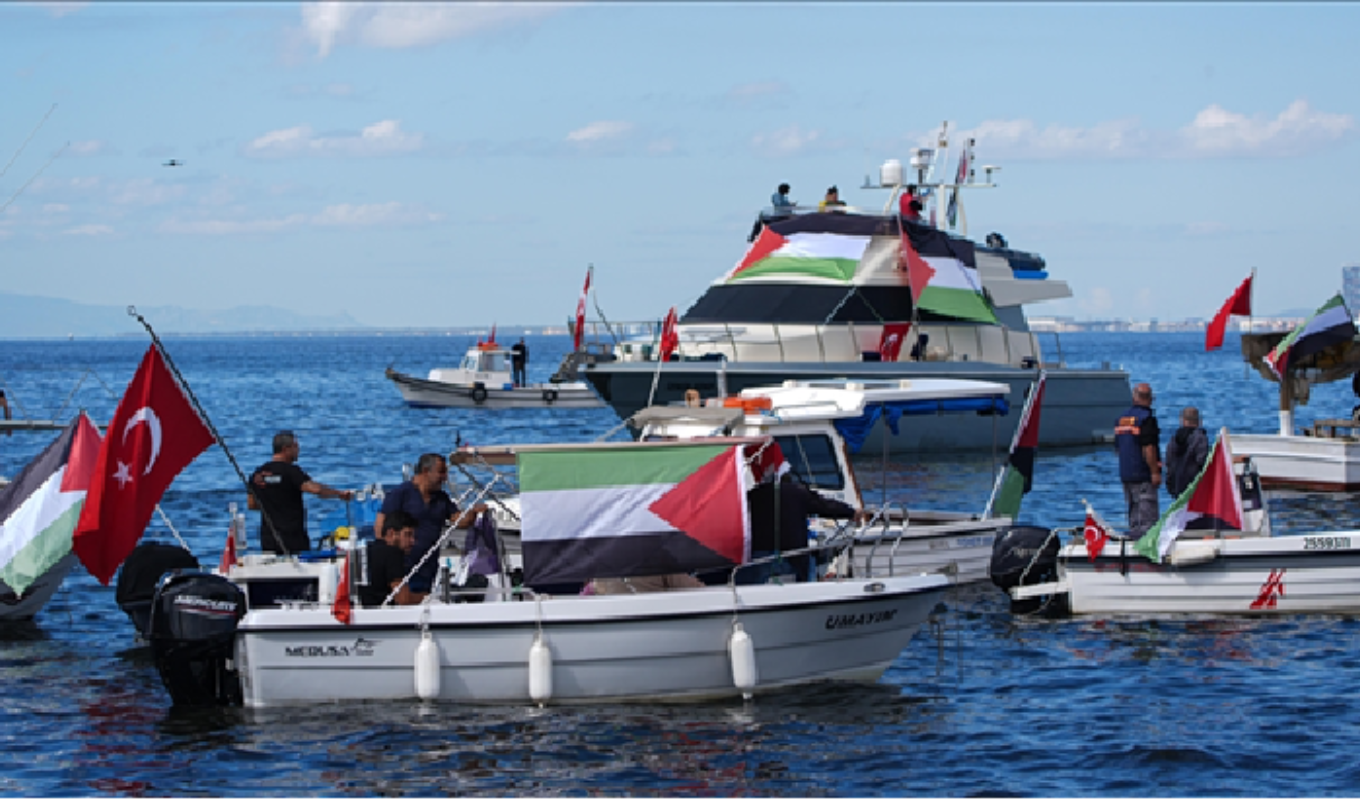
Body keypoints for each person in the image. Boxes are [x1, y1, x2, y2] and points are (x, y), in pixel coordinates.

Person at [375, 453, 486, 600]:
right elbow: (380, 530)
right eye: (441, 472)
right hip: (403, 569)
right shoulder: (400, 494)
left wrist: (473, 512)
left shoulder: (441, 498)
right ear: (426, 471)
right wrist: (391, 562)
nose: (445, 477)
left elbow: (459, 521)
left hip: (428, 569)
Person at [743, 471, 867, 584]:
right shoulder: (799, 493)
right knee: (807, 568)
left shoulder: (753, 495)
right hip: (793, 555)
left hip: (760, 556)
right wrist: (851, 512)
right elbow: (825, 506)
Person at [247, 430, 353, 555]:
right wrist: (339, 494)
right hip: (293, 538)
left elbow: (252, 504)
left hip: (268, 539)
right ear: (286, 449)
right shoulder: (291, 472)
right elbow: (316, 489)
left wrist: (274, 505)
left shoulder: (257, 474)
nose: (298, 450)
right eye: (295, 447)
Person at [1114, 383, 1162, 534]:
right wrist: (1154, 471)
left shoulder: (1121, 419)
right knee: (1147, 515)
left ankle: (1133, 539)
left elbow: (1118, 448)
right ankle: (1146, 546)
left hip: (1126, 472)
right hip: (1142, 474)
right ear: (1148, 399)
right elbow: (1149, 448)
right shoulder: (1146, 419)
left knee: (1133, 511)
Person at [358, 510, 418, 608]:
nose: (412, 541)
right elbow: (403, 599)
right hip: (385, 616)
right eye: (407, 534)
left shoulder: (366, 550)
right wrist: (425, 597)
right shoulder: (393, 553)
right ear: (391, 533)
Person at [1165, 407, 1209, 500]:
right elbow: (1203, 461)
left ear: (1182, 420)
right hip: (1195, 487)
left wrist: (1170, 485)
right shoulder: (1200, 438)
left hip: (1178, 486)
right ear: (1199, 421)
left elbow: (1169, 463)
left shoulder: (1174, 440)